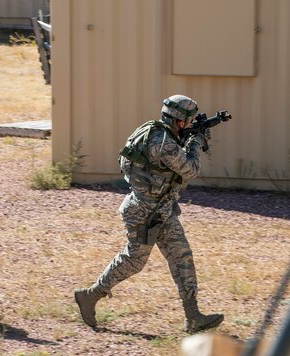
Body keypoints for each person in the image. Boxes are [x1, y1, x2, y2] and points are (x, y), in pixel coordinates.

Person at [74, 95, 224, 334]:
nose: (191, 123)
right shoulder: (164, 142)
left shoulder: (152, 131)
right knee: (135, 260)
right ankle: (90, 295)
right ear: (180, 120)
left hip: (160, 209)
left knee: (181, 256)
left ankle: (193, 315)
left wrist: (189, 138)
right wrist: (195, 143)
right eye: (190, 120)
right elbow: (190, 169)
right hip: (145, 212)